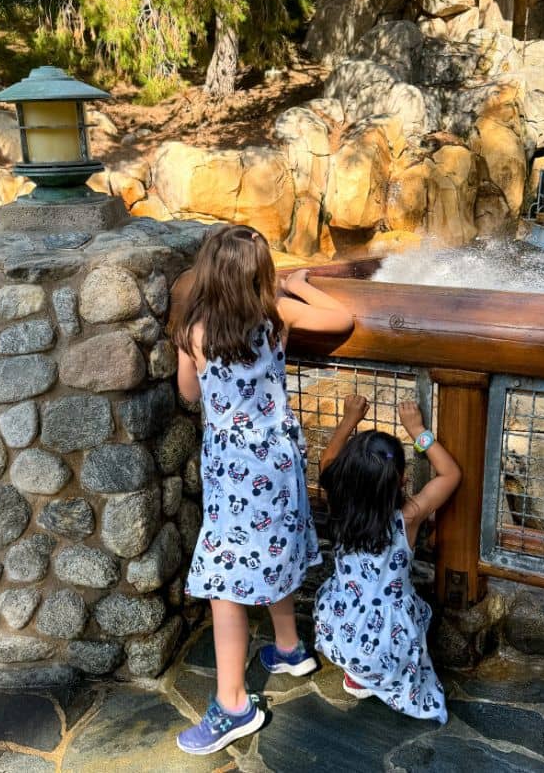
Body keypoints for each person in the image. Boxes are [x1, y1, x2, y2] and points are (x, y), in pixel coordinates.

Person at [172, 224, 354, 755]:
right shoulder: (275, 318)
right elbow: (343, 319)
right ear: (261, 276)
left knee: (223, 580)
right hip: (276, 462)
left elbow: (188, 393)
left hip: (230, 470)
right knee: (276, 547)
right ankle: (291, 647)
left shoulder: (194, 329)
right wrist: (298, 285)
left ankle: (234, 706)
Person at [313, 395, 461, 722]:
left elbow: (327, 462)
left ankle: (357, 673)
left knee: (381, 621)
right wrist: (418, 430)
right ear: (401, 480)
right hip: (386, 641)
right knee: (411, 617)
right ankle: (381, 674)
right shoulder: (407, 517)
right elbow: (450, 475)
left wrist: (349, 418)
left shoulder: (339, 501)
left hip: (340, 629)